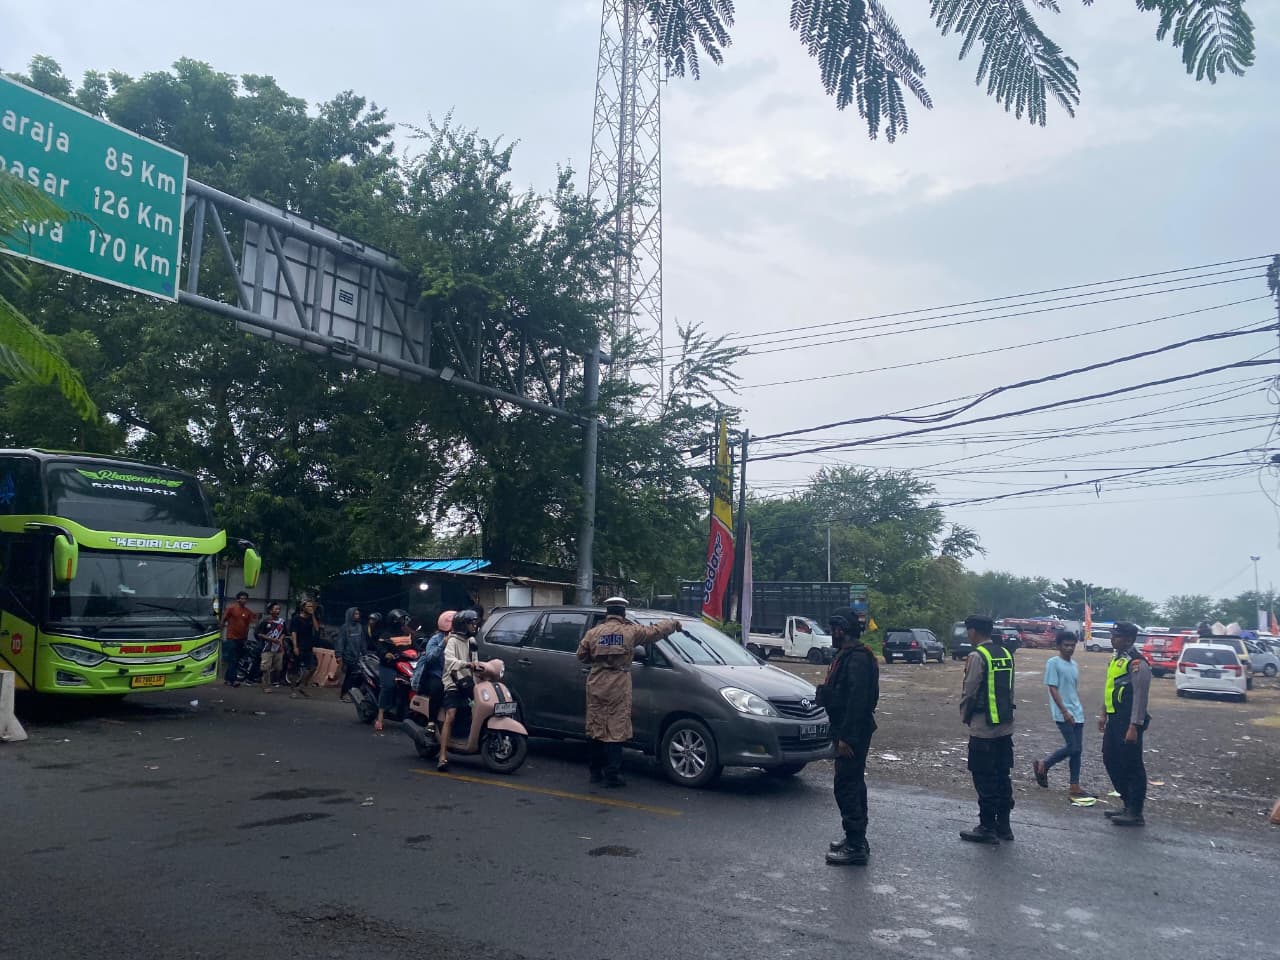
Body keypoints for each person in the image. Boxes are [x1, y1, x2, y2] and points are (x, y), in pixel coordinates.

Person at [575, 597, 680, 788]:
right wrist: (672, 624)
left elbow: (581, 655)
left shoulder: (593, 633)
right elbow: (654, 631)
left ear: (607, 613)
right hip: (618, 684)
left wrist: (599, 661)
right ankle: (612, 775)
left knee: (596, 728)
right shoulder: (630, 631)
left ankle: (595, 773)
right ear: (623, 614)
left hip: (596, 683)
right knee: (616, 729)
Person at [816, 607, 879, 866]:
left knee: (847, 786)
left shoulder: (857, 659)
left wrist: (846, 738)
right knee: (852, 783)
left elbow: (857, 702)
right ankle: (856, 838)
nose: (832, 633)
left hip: (852, 732)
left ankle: (855, 846)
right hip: (847, 728)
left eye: (834, 629)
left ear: (842, 630)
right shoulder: (849, 655)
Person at [958, 615, 1016, 844]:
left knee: (984, 778)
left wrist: (965, 716)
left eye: (968, 631)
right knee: (1002, 776)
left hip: (983, 728)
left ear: (973, 631)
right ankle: (1004, 826)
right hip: (1005, 727)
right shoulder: (1005, 653)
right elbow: (1009, 690)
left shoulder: (977, 656)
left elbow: (970, 691)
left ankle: (986, 827)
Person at [1098, 621, 1151, 827]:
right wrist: (1103, 713)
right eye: (1113, 635)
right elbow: (1110, 687)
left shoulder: (1137, 663)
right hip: (1115, 718)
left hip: (1129, 721)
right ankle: (1127, 802)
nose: (1112, 639)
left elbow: (1140, 697)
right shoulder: (1117, 659)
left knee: (1132, 765)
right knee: (1110, 759)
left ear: (1129, 639)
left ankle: (1135, 812)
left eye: (1117, 636)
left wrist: (1134, 726)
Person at [1033, 630, 1091, 798]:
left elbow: (1072, 689)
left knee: (1077, 751)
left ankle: (1074, 785)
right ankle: (1045, 764)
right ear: (1058, 646)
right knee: (1072, 747)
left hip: (1077, 711)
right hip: (1062, 712)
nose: (1069, 648)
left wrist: (1076, 709)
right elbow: (1053, 688)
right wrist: (1064, 711)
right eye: (1066, 645)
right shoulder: (1053, 663)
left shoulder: (1074, 665)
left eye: (1072, 645)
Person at [439, 608, 485, 770]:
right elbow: (449, 661)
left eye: (475, 623)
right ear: (463, 625)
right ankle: (442, 756)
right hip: (453, 682)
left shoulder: (471, 641)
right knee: (450, 715)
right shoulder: (452, 641)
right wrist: (466, 664)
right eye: (471, 624)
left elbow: (475, 661)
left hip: (468, 682)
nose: (474, 626)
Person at [411, 611, 452, 733]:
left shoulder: (459, 640)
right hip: (436, 674)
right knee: (437, 688)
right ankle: (431, 722)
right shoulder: (435, 639)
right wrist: (443, 644)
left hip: (452, 674)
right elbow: (430, 658)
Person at [373, 608, 413, 732]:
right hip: (389, 666)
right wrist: (386, 654)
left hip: (405, 665)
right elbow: (380, 648)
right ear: (394, 621)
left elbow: (415, 646)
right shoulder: (385, 635)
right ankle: (380, 717)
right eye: (401, 620)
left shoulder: (407, 634)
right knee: (388, 687)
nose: (404, 622)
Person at [221, 591, 257, 686]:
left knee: (236, 659)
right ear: (238, 599)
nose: (243, 600)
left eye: (245, 599)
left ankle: (227, 679)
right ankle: (233, 680)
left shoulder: (247, 612)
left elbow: (249, 623)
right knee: (233, 658)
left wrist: (246, 638)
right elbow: (223, 620)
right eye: (242, 598)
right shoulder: (231, 609)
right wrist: (220, 632)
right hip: (231, 637)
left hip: (242, 638)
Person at [289, 599, 321, 698]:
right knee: (295, 668)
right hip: (299, 645)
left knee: (312, 667)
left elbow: (317, 629)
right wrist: (295, 646)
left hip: (308, 646)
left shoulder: (311, 618)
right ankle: (293, 690)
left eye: (312, 606)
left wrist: (313, 615)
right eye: (308, 606)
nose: (311, 608)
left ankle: (302, 686)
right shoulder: (296, 618)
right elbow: (294, 632)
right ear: (303, 607)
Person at [255, 602, 287, 691]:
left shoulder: (282, 622)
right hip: (267, 647)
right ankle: (266, 686)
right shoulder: (265, 621)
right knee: (265, 668)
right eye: (276, 609)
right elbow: (259, 634)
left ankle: (271, 681)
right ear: (270, 611)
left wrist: (280, 639)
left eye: (279, 609)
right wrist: (271, 639)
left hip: (278, 648)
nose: (278, 611)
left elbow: (284, 632)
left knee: (277, 668)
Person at [337, 607, 365, 703]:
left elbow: (362, 642)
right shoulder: (345, 627)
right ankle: (344, 694)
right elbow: (340, 642)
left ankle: (351, 694)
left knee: (355, 676)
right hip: (347, 656)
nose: (358, 616)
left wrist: (364, 653)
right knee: (349, 676)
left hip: (357, 656)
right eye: (355, 614)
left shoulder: (360, 627)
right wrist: (339, 655)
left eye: (358, 614)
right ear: (351, 615)